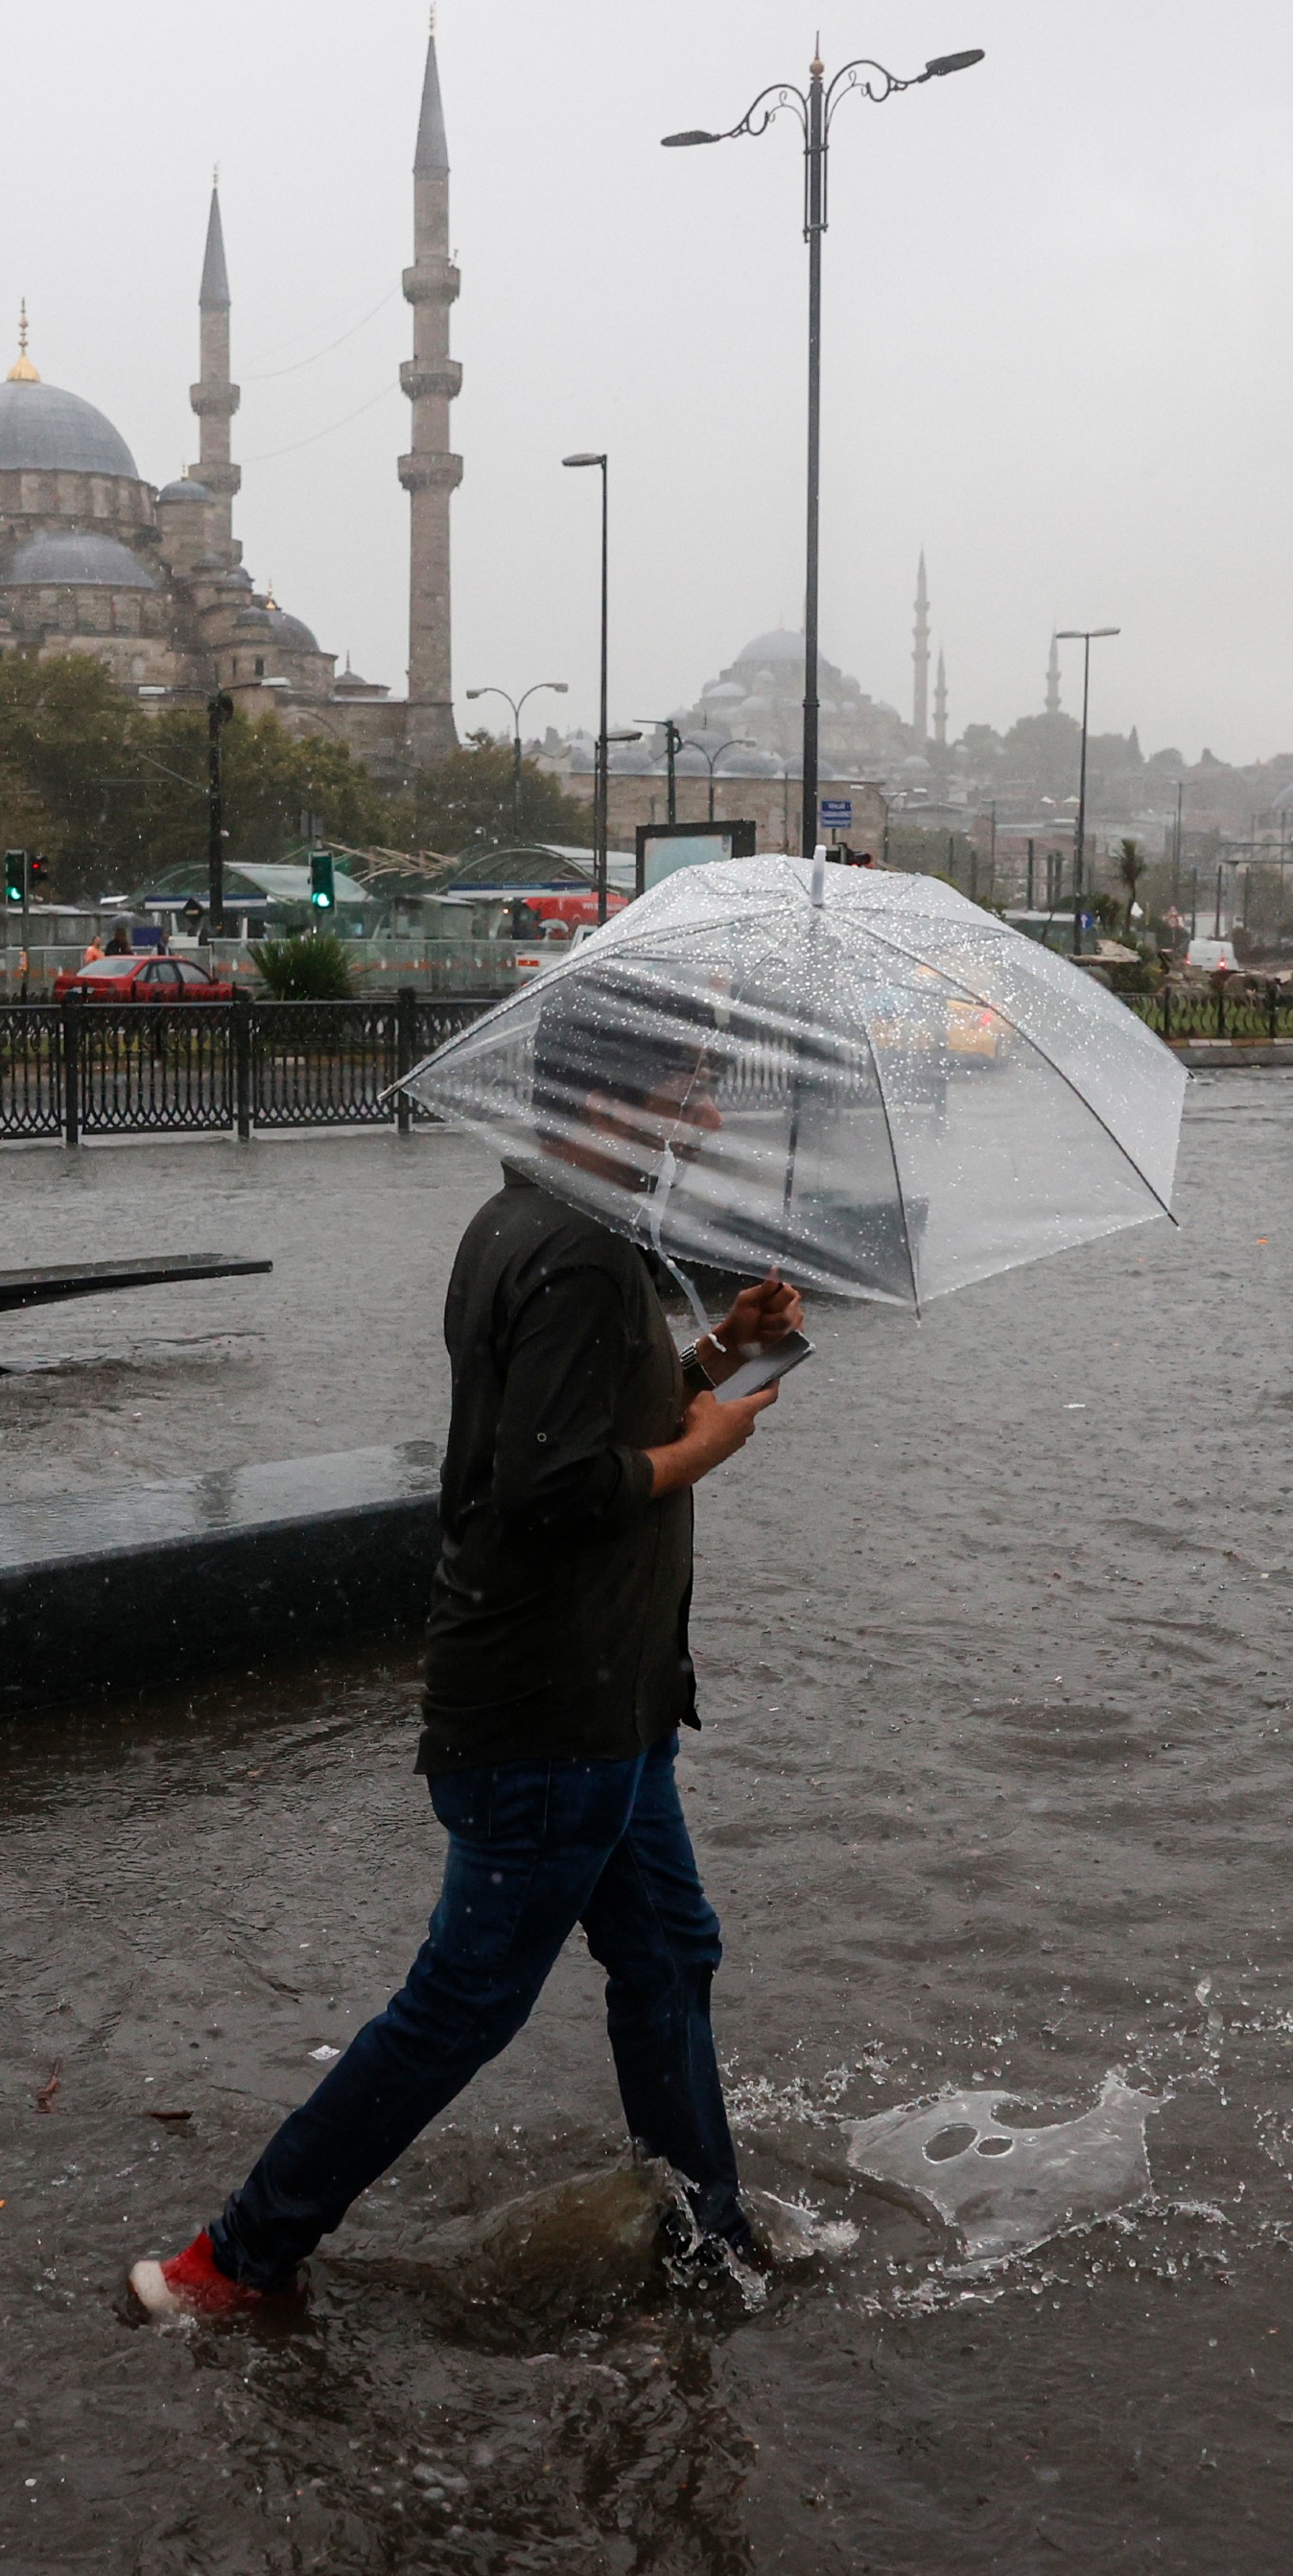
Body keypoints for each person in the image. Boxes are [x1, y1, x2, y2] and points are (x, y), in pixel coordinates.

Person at [129, 981, 804, 2324]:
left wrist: (713, 1353)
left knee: (670, 1951)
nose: (710, 1111)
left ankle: (708, 2236)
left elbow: (569, 1418)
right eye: (689, 1083)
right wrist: (701, 1446)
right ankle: (236, 2256)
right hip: (552, 1708)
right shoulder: (579, 1249)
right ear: (610, 1093)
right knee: (463, 2002)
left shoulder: (528, 1219)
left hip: (606, 1701)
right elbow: (548, 1488)